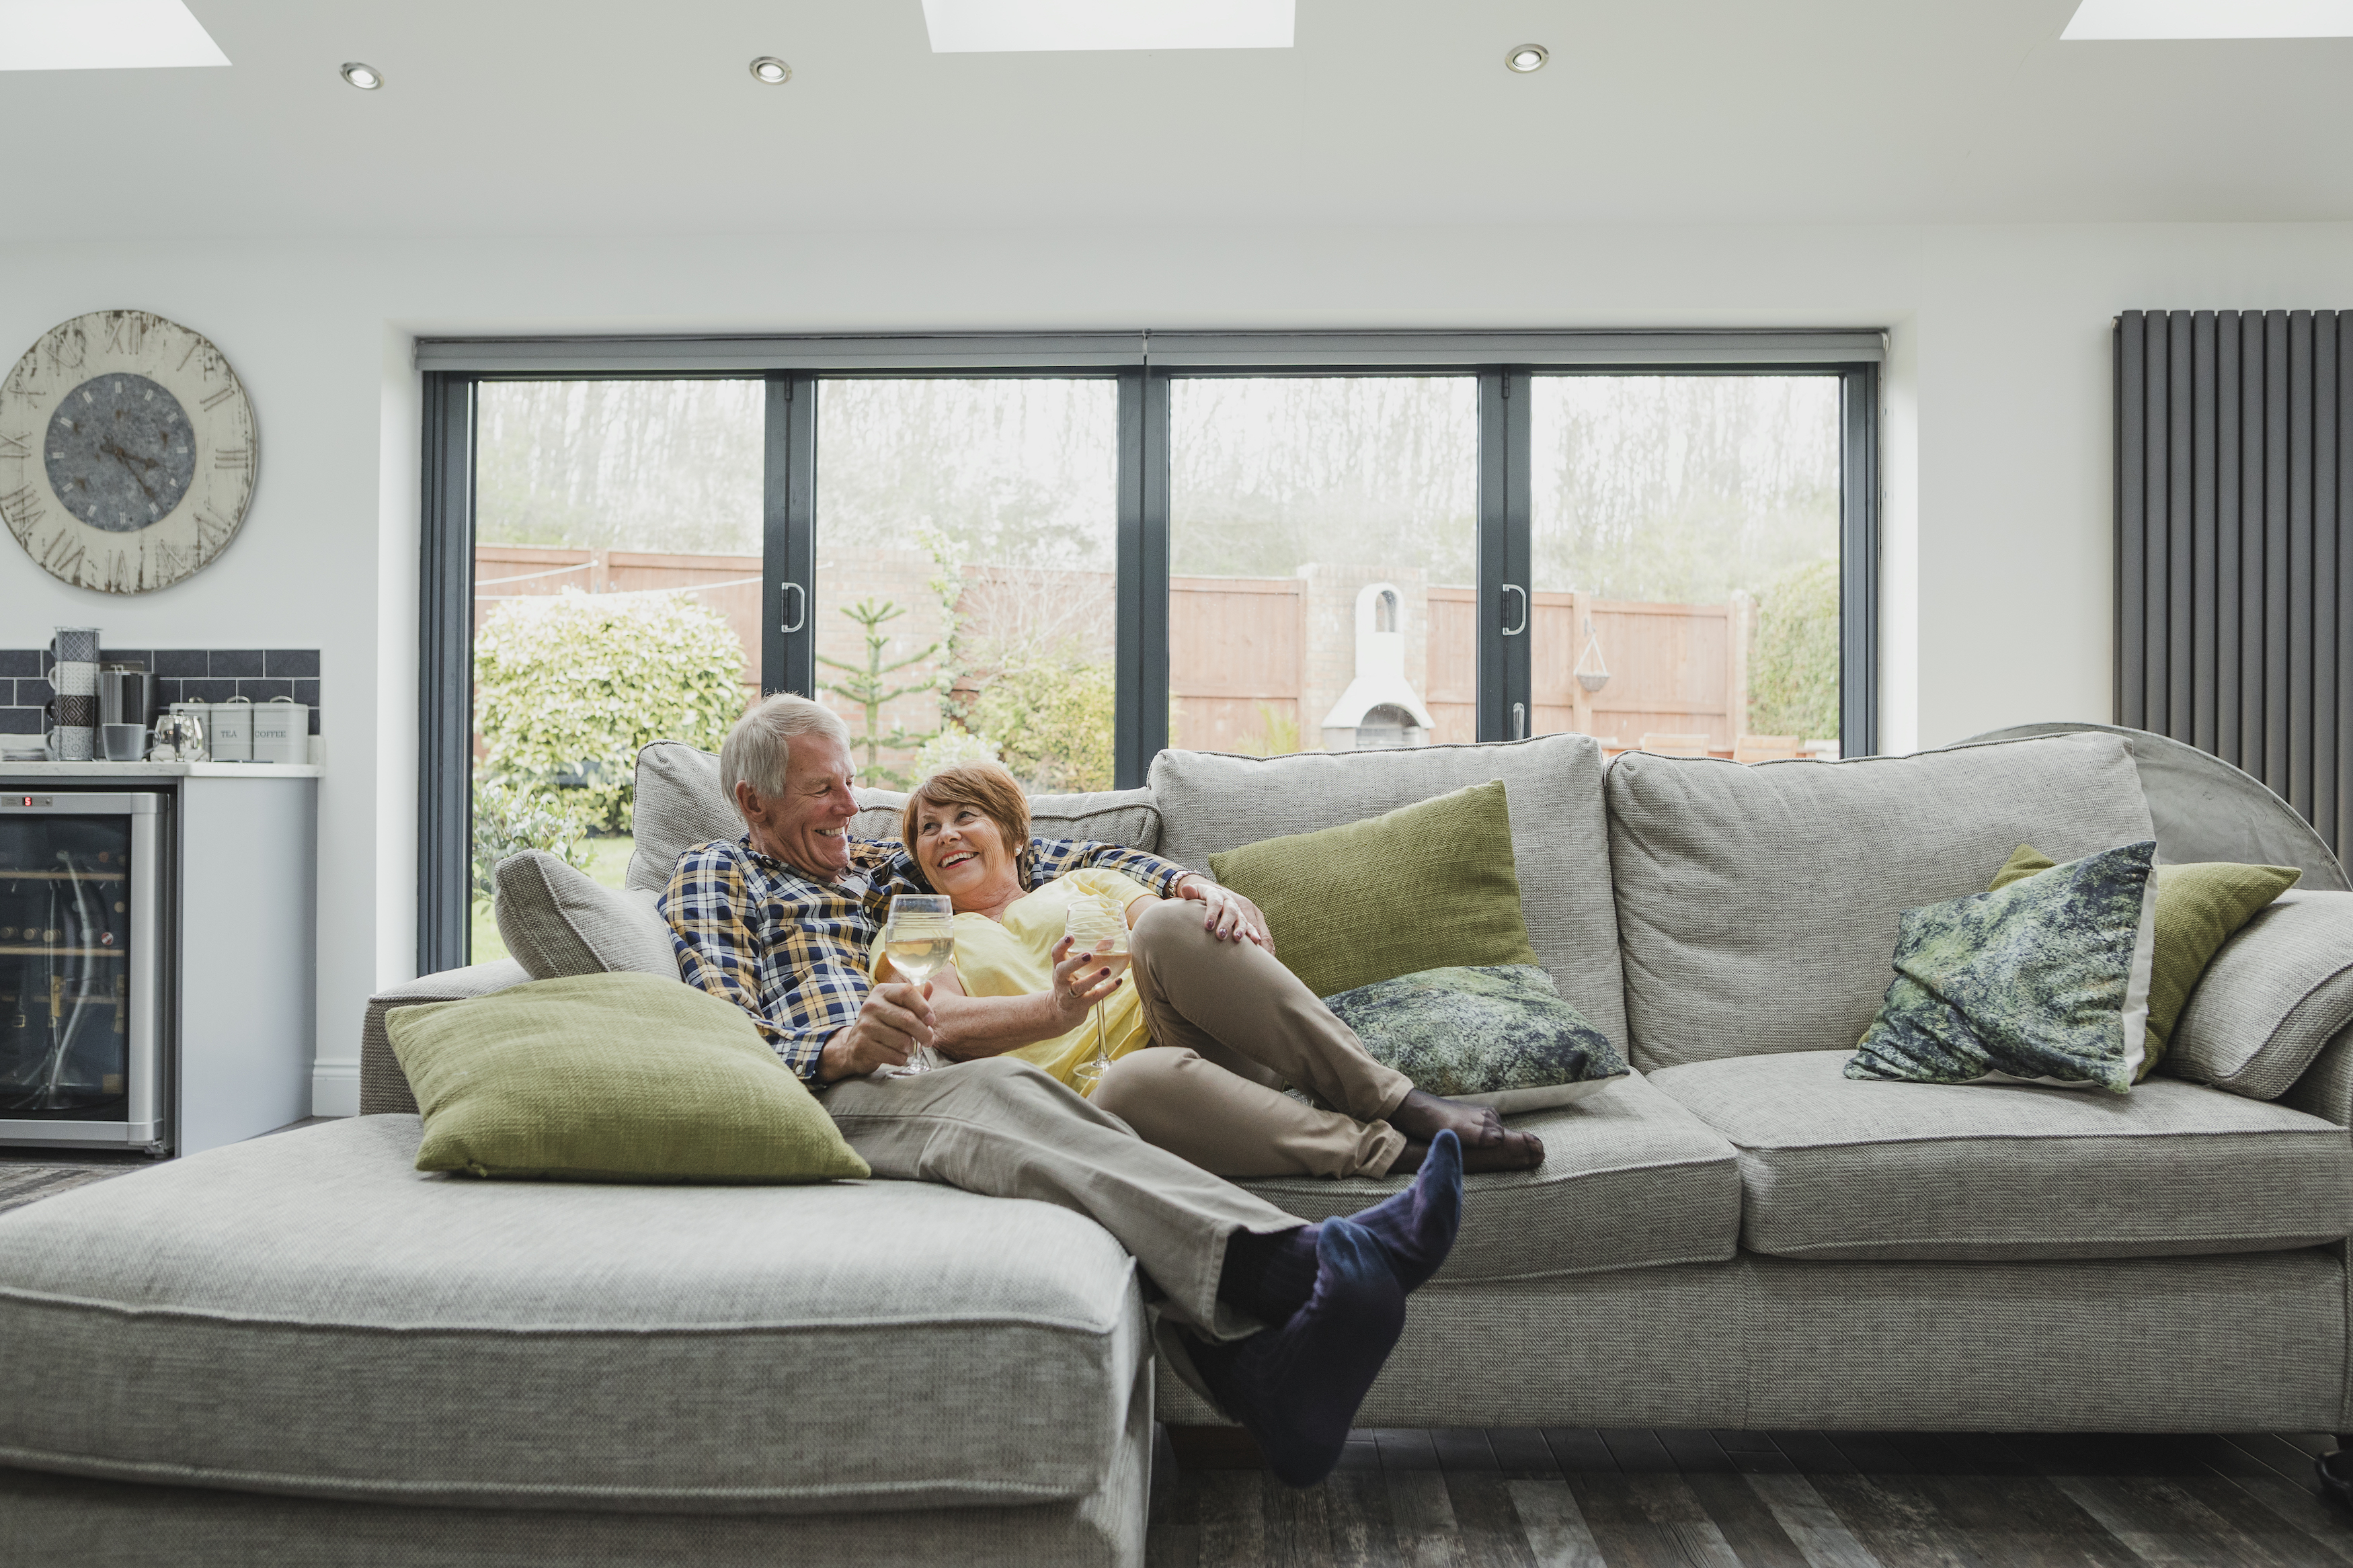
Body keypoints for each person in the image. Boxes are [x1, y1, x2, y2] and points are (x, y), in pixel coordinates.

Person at [661, 694, 1473, 1486]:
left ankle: (1253, 1371)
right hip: (835, 1091)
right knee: (1003, 1092)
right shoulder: (719, 872)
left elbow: (1046, 860)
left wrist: (1186, 884)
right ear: (751, 801)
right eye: (825, 789)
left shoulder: (878, 865)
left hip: (929, 1071)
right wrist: (836, 1047)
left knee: (1026, 1100)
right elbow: (719, 1025)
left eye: (849, 781)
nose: (852, 804)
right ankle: (1313, 1264)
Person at [892, 760, 1546, 1180]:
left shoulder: (1088, 880)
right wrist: (1053, 1009)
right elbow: (939, 1022)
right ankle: (1393, 1152)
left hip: (1197, 1040)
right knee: (1132, 1080)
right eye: (927, 827)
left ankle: (1400, 1102)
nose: (944, 834)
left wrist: (1215, 908)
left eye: (963, 816)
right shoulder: (921, 925)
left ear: (1011, 834)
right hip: (1110, 1104)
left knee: (1170, 921)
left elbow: (1176, 939)